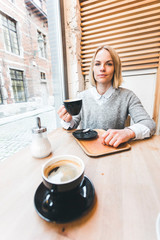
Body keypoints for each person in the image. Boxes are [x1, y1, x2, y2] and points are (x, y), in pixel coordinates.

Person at [57, 45, 156, 147]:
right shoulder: (81, 97)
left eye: (109, 64)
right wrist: (67, 120)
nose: (102, 68)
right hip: (88, 151)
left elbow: (149, 124)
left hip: (115, 151)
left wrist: (128, 132)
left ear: (115, 69)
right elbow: (73, 124)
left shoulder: (128, 96)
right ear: (93, 69)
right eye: (97, 64)